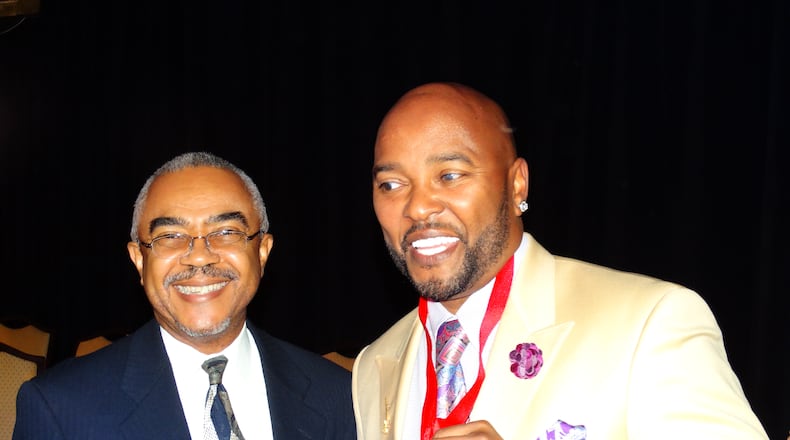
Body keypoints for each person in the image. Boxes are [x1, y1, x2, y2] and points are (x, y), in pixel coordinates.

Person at [351, 82, 768, 439]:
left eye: (450, 176)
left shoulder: (649, 323)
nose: (418, 207)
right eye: (391, 184)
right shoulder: (374, 366)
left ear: (517, 184)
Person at [14, 151, 356, 439]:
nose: (200, 257)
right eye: (171, 236)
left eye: (226, 231)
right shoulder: (61, 408)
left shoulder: (340, 396)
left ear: (262, 252)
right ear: (139, 260)